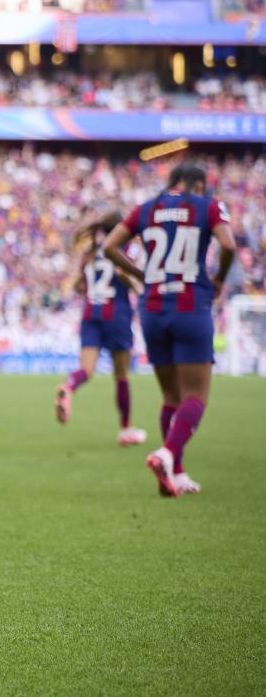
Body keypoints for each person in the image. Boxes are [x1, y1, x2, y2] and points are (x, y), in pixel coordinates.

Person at [100, 163, 236, 498]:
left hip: (153, 309)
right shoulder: (208, 206)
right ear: (198, 184)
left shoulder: (145, 209)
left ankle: (174, 474)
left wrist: (142, 274)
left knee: (171, 397)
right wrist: (218, 280)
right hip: (190, 306)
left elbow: (109, 248)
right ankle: (168, 454)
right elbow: (229, 246)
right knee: (195, 396)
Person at [54, 211, 147, 446]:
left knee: (86, 369)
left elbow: (78, 285)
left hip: (90, 313)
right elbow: (127, 278)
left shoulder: (90, 253)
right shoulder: (121, 251)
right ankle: (125, 430)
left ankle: (68, 386)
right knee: (122, 375)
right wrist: (137, 285)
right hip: (116, 314)